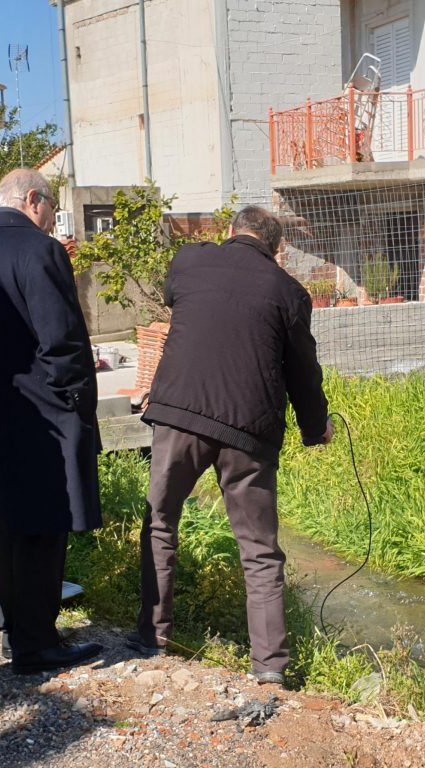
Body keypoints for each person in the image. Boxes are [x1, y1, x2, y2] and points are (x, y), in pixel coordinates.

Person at [135, 206, 333, 685]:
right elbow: (302, 371)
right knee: (260, 550)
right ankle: (269, 668)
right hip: (248, 432)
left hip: (179, 417)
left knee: (160, 523)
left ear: (230, 231)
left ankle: (152, 638)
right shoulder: (289, 292)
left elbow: (177, 300)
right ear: (276, 248)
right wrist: (314, 428)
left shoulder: (188, 261)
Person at [0, 169, 104, 675]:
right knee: (44, 529)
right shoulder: (40, 251)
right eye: (51, 207)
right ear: (33, 200)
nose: (53, 218)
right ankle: (38, 644)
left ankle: (14, 631)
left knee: (6, 524)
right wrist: (72, 402)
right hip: (45, 416)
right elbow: (62, 340)